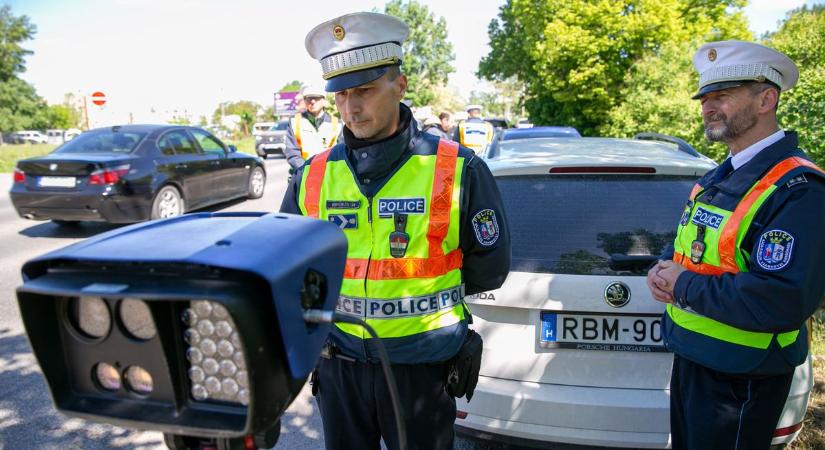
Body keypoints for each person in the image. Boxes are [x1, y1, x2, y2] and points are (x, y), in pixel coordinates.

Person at [280, 11, 511, 450]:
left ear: (400, 85)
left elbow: (491, 268)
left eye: (365, 90)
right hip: (339, 364)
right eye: (342, 94)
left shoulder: (459, 168)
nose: (351, 106)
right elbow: (287, 267)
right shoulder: (311, 175)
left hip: (422, 367)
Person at [646, 40, 825, 450]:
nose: (708, 107)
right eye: (705, 98)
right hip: (695, 356)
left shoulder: (798, 188)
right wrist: (663, 269)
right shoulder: (720, 176)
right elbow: (698, 250)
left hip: (742, 378)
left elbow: (780, 299)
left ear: (767, 99)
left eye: (722, 96)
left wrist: (681, 285)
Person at [284, 84, 342, 171]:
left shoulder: (337, 124)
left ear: (323, 100)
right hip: (302, 174)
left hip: (330, 176)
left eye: (317, 98)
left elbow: (342, 153)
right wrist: (308, 171)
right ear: (304, 100)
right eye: (309, 98)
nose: (313, 101)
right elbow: (292, 153)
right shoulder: (295, 122)